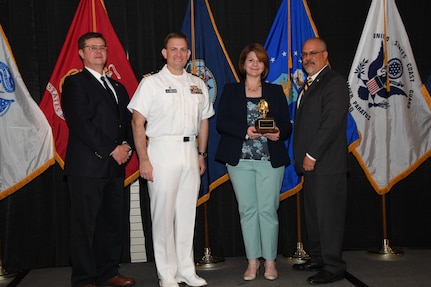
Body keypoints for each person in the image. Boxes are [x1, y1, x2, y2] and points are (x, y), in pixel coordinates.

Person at [127, 32, 214, 287]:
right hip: (161, 150)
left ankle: (186, 269)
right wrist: (143, 159)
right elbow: (137, 122)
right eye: (173, 49)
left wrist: (201, 154)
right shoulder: (151, 83)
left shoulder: (197, 83)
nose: (179, 54)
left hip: (190, 151)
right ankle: (166, 272)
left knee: (187, 213)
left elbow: (204, 120)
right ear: (164, 53)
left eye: (183, 50)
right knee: (163, 215)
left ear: (189, 54)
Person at [61, 32, 135, 287]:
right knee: (85, 227)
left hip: (114, 168)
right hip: (87, 167)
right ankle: (83, 279)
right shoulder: (74, 83)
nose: (98, 51)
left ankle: (108, 272)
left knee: (111, 223)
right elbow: (81, 123)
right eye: (92, 48)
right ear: (81, 53)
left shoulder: (117, 87)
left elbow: (127, 123)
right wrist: (112, 148)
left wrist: (127, 146)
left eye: (102, 47)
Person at [215, 43, 292, 281]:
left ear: (265, 66)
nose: (255, 64)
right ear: (243, 64)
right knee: (247, 210)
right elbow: (222, 123)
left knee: (267, 211)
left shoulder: (276, 91)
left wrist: (278, 133)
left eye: (259, 60)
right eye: (250, 60)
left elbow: (287, 125)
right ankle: (252, 262)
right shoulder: (230, 90)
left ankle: (269, 262)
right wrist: (247, 131)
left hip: (269, 160)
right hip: (240, 161)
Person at [292, 37, 349, 284]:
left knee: (328, 218)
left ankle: (334, 266)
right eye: (304, 54)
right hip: (312, 166)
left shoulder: (334, 82)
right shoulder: (310, 83)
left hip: (325, 164)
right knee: (314, 216)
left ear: (325, 55)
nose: (307, 58)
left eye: (313, 53)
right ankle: (318, 258)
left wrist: (312, 155)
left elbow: (331, 124)